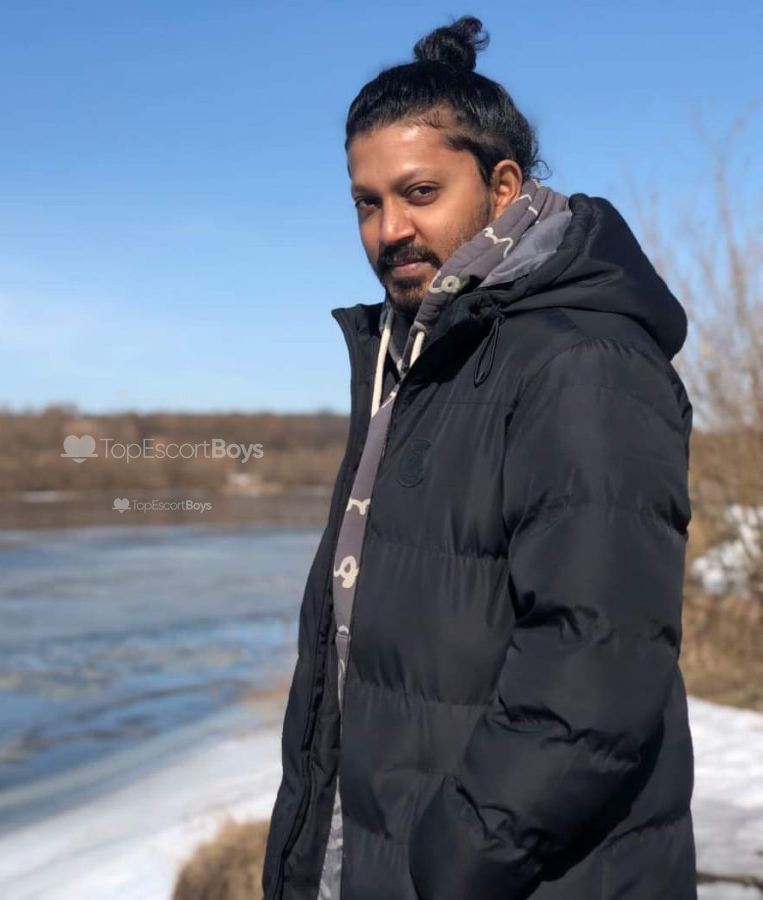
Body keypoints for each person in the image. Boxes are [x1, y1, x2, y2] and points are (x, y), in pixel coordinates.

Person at [262, 15, 696, 900]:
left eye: (419, 192)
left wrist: (455, 859)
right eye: (367, 202)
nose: (390, 229)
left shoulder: (582, 363)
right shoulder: (419, 358)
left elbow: (596, 662)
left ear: (502, 187)